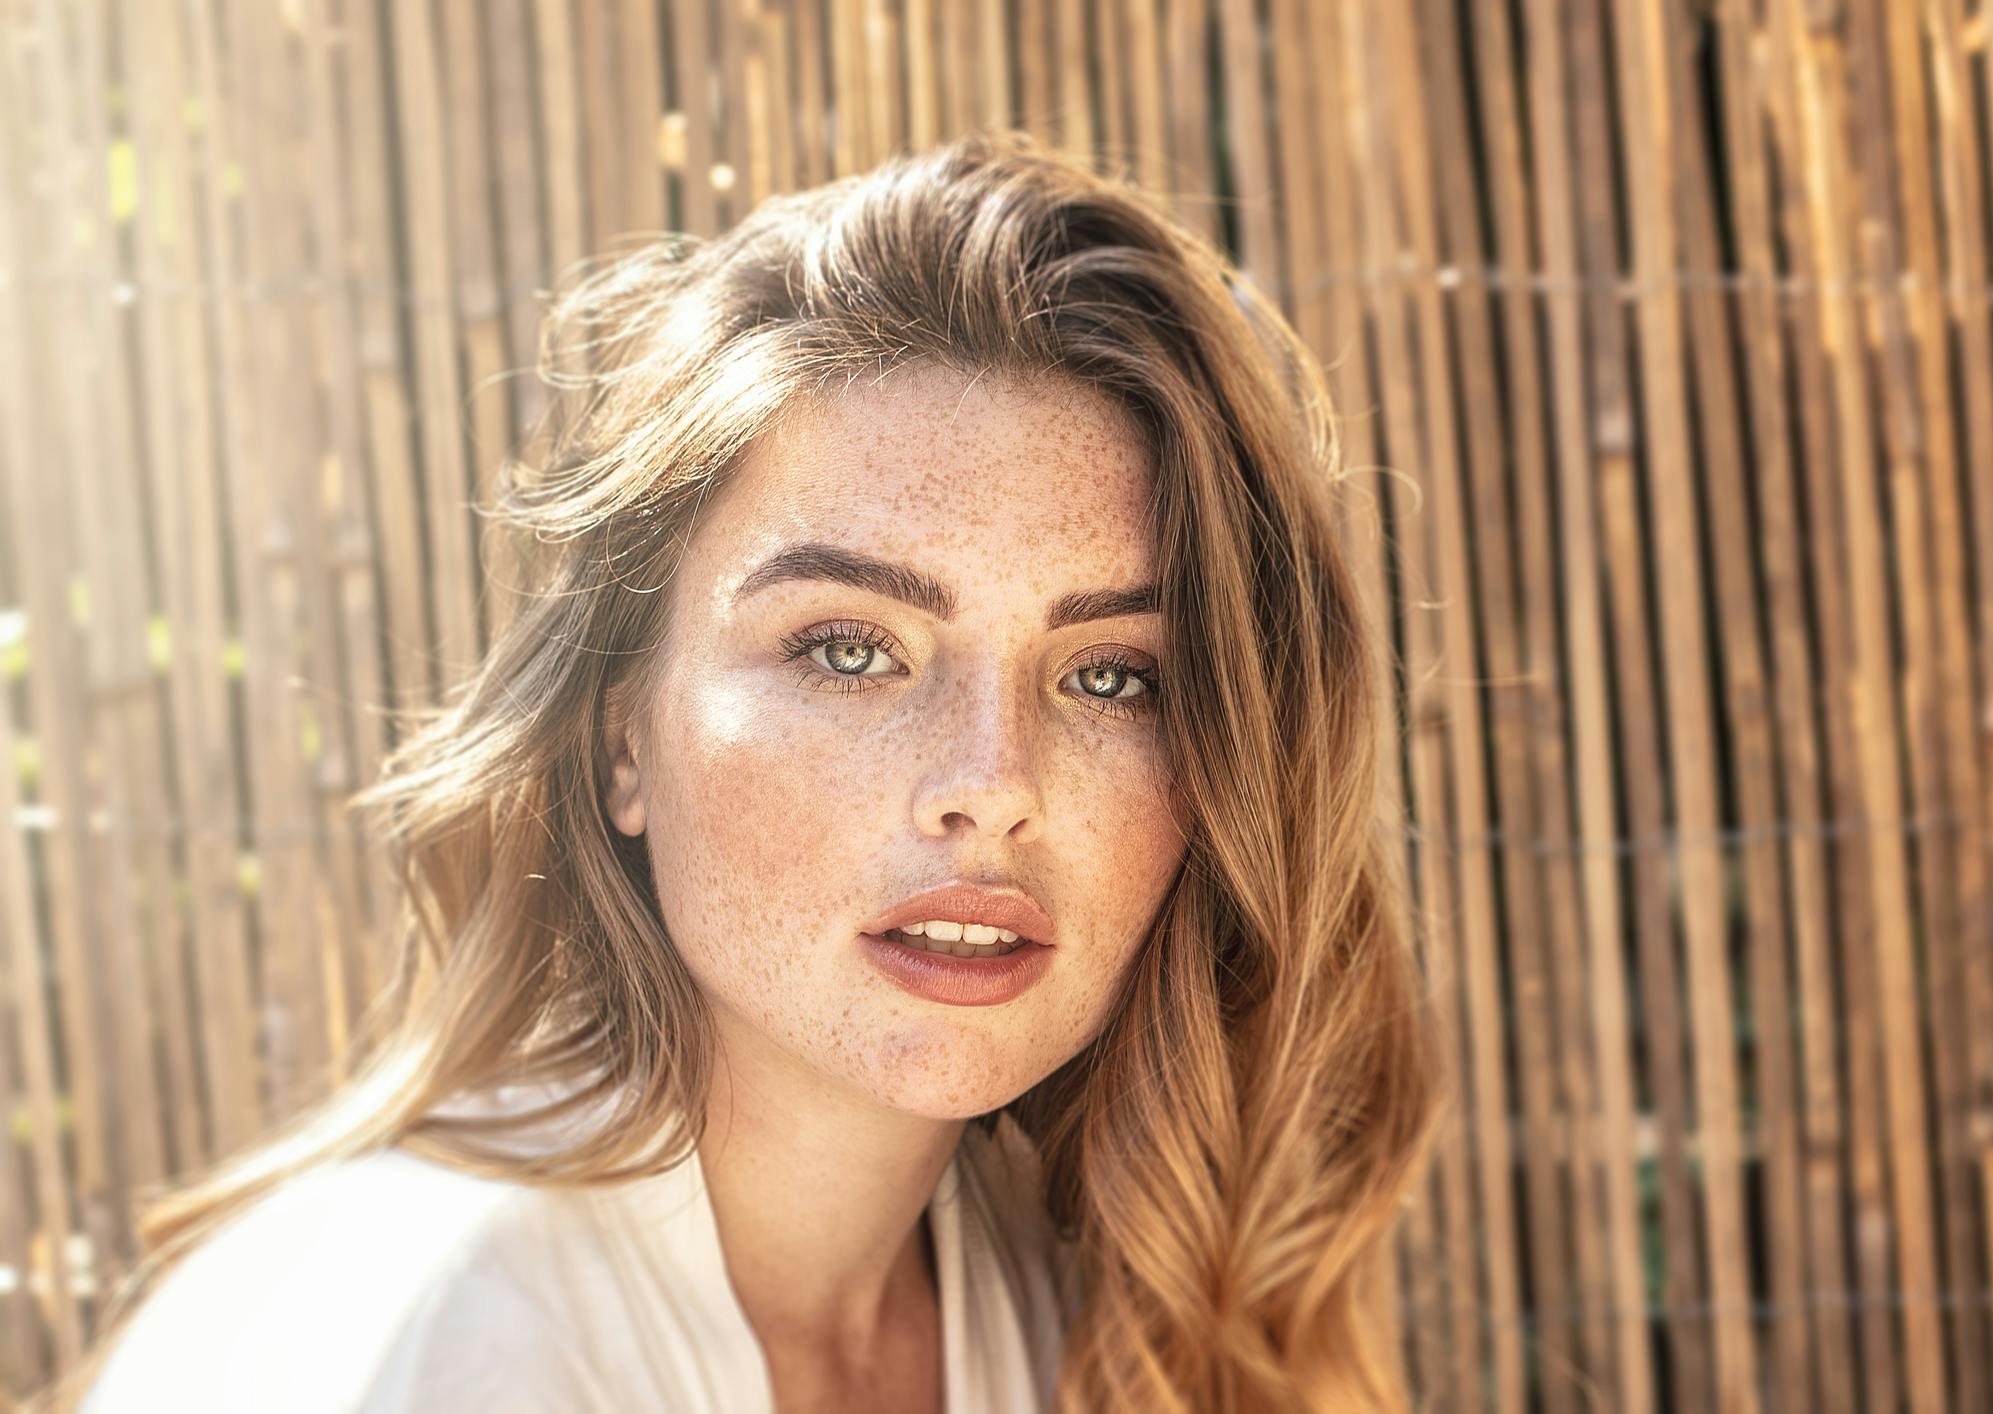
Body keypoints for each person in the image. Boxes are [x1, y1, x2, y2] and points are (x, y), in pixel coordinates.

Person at [47, 129, 1438, 1413]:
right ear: (619, 734)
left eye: (1107, 675)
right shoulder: (453, 1328)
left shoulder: (1073, 1290)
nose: (989, 780)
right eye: (848, 649)